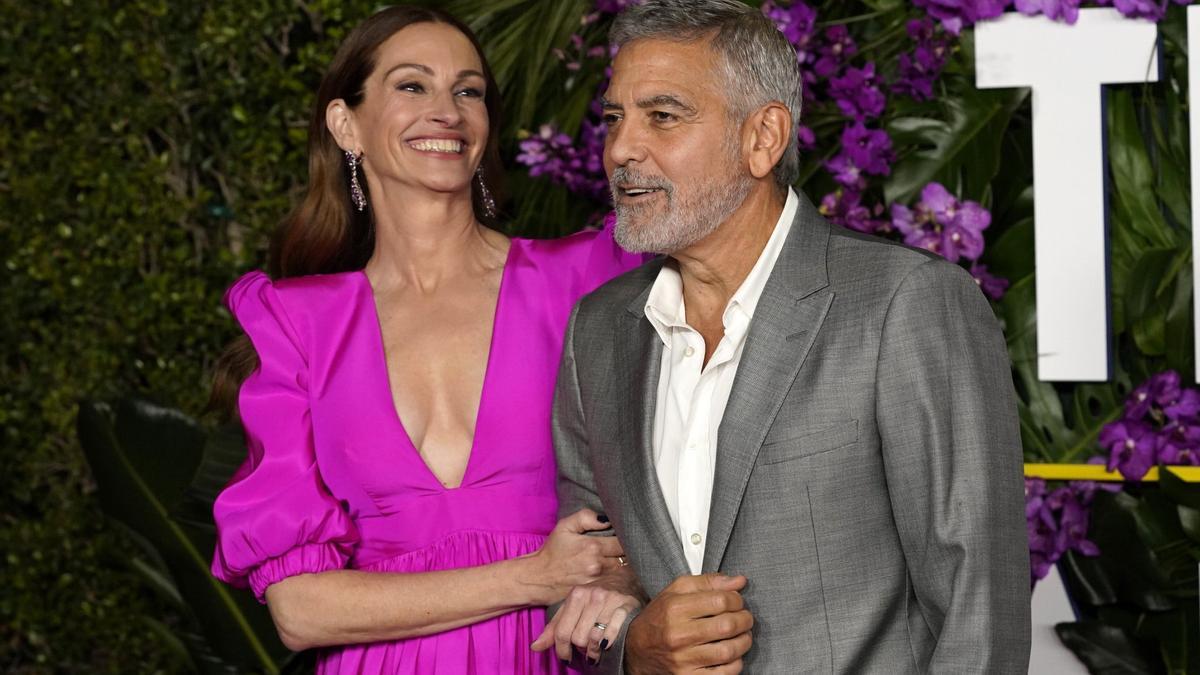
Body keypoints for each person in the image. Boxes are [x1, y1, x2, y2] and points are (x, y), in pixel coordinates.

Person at [550, 0, 1032, 672]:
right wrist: (634, 647)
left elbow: (977, 605)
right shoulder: (597, 333)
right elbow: (588, 579)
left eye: (662, 115)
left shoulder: (904, 303)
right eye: (613, 118)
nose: (621, 149)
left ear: (764, 137)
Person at [208, 6, 646, 673]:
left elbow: (687, 466)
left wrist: (625, 578)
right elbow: (301, 611)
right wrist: (535, 575)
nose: (446, 109)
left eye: (467, 90)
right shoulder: (297, 324)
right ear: (344, 123)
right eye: (412, 86)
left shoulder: (585, 276)